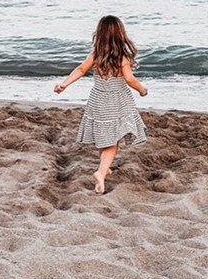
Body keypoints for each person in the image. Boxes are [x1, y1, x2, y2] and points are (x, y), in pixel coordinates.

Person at [54, 14, 149, 194]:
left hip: (97, 100)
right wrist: (142, 90)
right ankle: (101, 172)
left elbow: (81, 69)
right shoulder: (123, 57)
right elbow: (129, 79)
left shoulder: (96, 55)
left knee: (104, 136)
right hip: (117, 101)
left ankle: (104, 167)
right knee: (112, 141)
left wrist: (64, 84)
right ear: (121, 34)